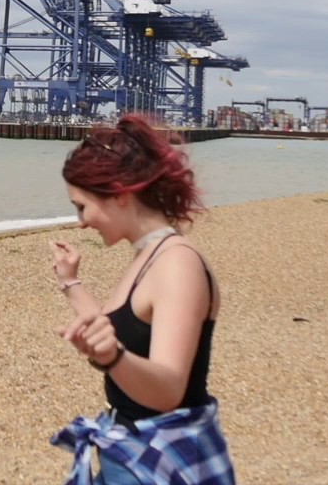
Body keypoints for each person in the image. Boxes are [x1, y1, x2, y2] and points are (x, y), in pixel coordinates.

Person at [49, 115, 234, 485]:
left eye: (82, 206)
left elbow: (167, 390)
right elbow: (114, 331)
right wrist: (70, 283)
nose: (81, 222)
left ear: (119, 193)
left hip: (163, 461)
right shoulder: (149, 255)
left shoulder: (176, 264)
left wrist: (111, 357)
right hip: (132, 452)